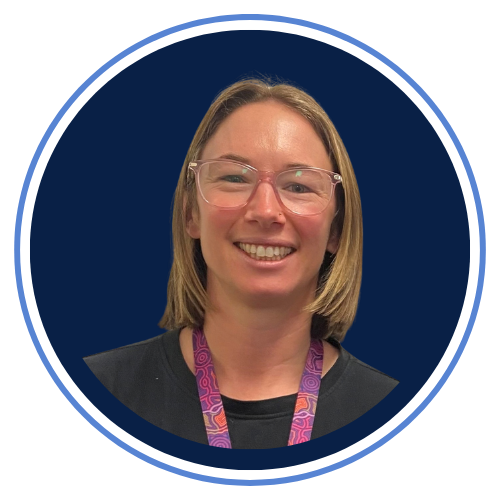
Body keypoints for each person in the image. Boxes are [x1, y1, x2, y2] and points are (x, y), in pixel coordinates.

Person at [84, 78, 399, 449]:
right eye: (234, 178)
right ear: (191, 214)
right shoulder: (95, 391)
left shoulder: (391, 409)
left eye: (298, 186)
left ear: (336, 229)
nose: (265, 211)